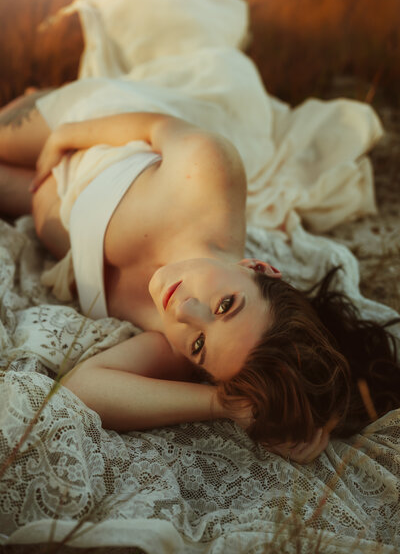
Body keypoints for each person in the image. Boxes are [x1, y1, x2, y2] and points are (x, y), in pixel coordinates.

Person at [1, 88, 399, 465]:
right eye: (225, 305)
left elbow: (81, 387)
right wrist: (64, 135)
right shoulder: (209, 171)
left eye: (200, 345)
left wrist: (225, 405)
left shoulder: (177, 341)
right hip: (89, 133)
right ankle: (40, 95)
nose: (184, 310)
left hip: (47, 202)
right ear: (257, 268)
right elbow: (153, 127)